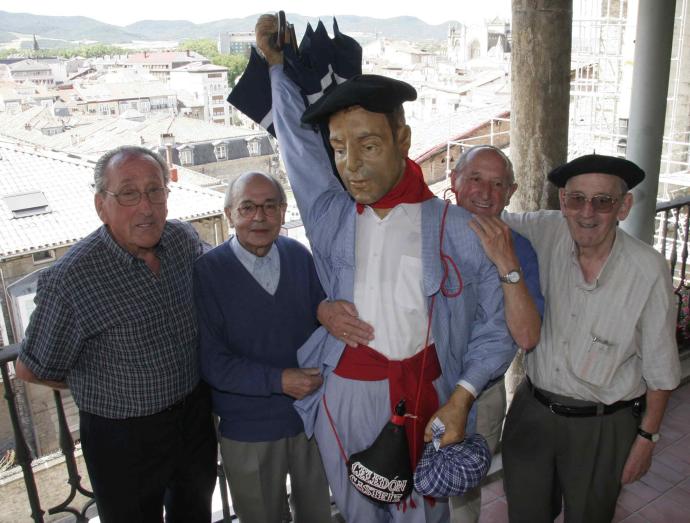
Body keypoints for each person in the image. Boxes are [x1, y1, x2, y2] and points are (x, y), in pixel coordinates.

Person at [256, 14, 514, 522]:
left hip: (429, 389)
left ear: (402, 139)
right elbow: (296, 147)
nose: (351, 164)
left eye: (368, 145)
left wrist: (463, 395)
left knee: (425, 514)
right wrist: (277, 70)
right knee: (357, 512)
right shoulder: (332, 215)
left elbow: (496, 326)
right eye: (339, 147)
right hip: (347, 390)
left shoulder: (457, 227)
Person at [15, 145, 217, 523]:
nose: (146, 206)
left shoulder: (182, 242)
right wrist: (98, 386)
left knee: (195, 513)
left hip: (192, 419)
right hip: (122, 440)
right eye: (128, 193)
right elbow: (30, 369)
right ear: (101, 205)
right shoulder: (72, 280)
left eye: (155, 190)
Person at [500, 154, 681, 523]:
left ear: (624, 207)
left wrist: (646, 440)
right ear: (563, 201)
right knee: (524, 514)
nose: (587, 212)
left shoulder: (647, 269)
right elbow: (484, 213)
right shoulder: (546, 230)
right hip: (534, 409)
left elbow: (661, 371)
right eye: (577, 199)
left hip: (603, 425)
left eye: (603, 201)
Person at [194, 172, 332, 523]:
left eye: (270, 206)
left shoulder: (299, 256)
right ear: (229, 214)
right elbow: (211, 362)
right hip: (248, 431)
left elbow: (323, 326)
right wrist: (280, 380)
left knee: (318, 514)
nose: (259, 217)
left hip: (309, 421)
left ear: (284, 212)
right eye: (248, 207)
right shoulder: (207, 274)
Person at [448, 145, 544, 522]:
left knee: (461, 498)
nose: (485, 193)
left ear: (511, 191)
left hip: (480, 396)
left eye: (498, 184)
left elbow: (527, 337)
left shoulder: (521, 249)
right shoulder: (425, 230)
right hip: (414, 386)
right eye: (475, 179)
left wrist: (507, 262)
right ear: (454, 183)